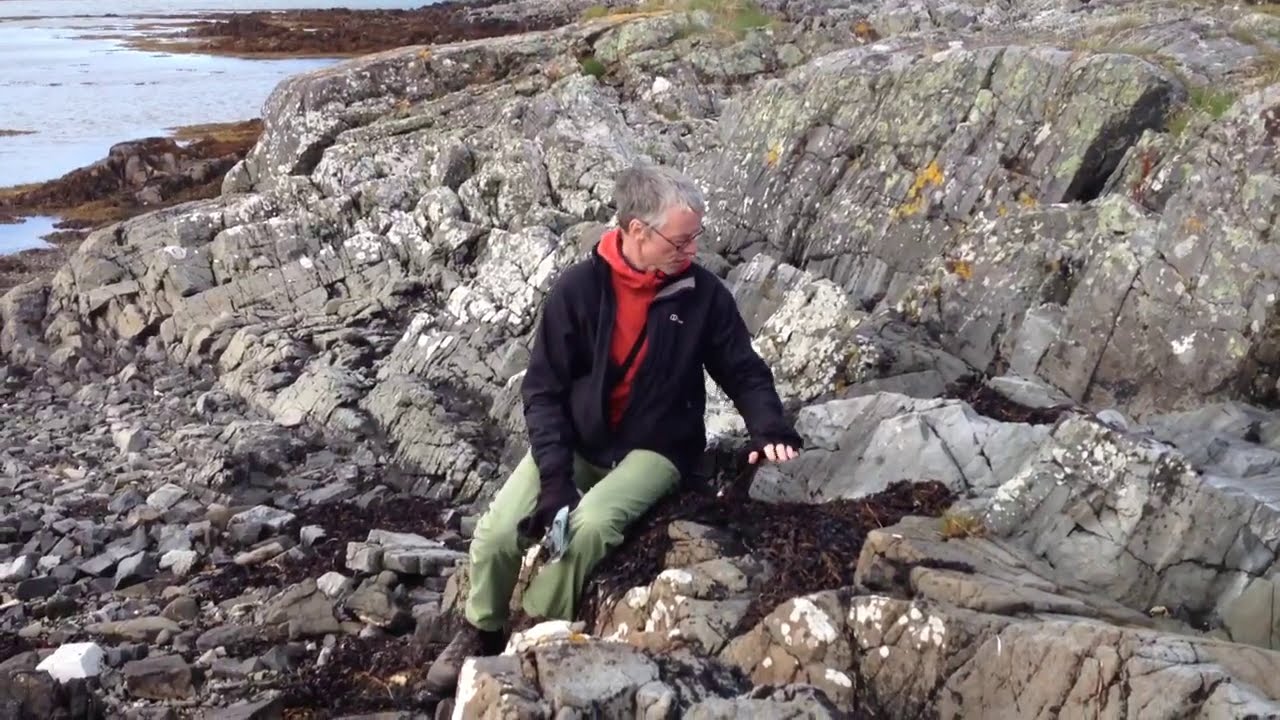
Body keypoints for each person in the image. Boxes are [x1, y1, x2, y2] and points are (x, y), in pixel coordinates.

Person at [425, 163, 802, 691]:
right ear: (635, 231)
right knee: (496, 532)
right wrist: (556, 480)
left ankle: (534, 632)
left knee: (587, 530)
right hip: (581, 440)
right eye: (682, 238)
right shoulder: (578, 290)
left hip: (658, 447)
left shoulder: (703, 293)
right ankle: (481, 629)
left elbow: (742, 368)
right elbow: (543, 393)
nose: (692, 249)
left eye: (697, 236)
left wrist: (769, 427)